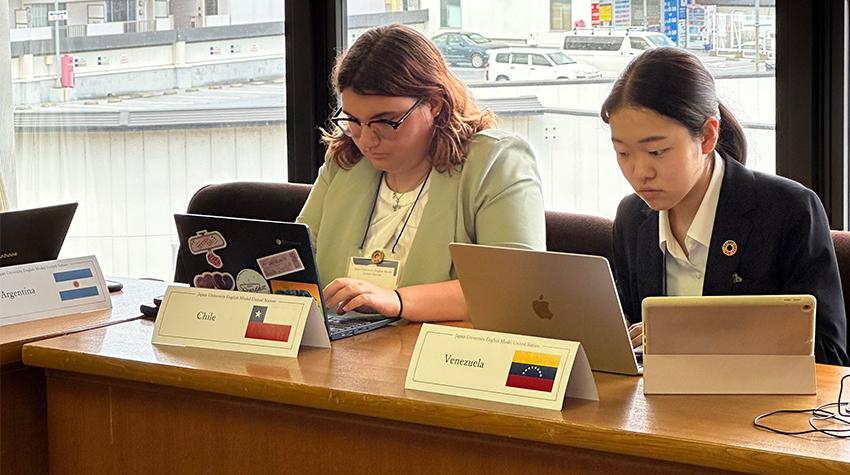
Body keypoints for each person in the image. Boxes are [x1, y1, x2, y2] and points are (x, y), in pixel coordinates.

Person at [602, 47, 847, 365]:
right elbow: (634, 336)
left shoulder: (788, 211)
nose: (639, 173)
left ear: (706, 137)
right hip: (658, 407)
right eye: (623, 153)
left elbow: (830, 356)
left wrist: (687, 335)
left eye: (657, 152)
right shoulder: (633, 217)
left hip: (759, 410)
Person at [297, 25, 546, 323]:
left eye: (385, 122)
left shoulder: (496, 162)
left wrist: (397, 300)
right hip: (346, 349)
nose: (366, 140)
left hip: (444, 356)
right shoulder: (345, 160)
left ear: (435, 104)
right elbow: (297, 260)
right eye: (354, 121)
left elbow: (515, 288)